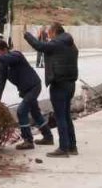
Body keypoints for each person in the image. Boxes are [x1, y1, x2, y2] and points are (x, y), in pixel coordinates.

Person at [23, 22, 79, 158]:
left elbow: (40, 46)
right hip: (70, 83)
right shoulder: (70, 43)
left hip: (59, 84)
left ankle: (63, 148)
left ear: (54, 31)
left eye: (49, 32)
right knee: (66, 116)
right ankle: (72, 146)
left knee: (60, 117)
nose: (48, 34)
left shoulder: (57, 43)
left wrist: (26, 35)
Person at [0, 38, 53, 150]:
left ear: (5, 50)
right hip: (25, 91)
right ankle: (48, 137)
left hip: (34, 86)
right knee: (35, 113)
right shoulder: (3, 66)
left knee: (21, 111)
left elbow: (8, 58)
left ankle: (28, 141)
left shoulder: (16, 55)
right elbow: (0, 84)